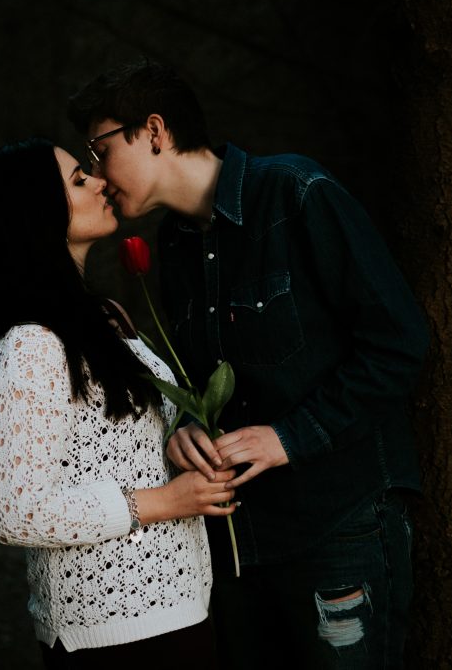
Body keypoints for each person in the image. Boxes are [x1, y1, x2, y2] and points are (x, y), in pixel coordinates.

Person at [67, 59, 429, 669]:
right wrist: (185, 429)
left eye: (99, 149)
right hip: (235, 550)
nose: (98, 175)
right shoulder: (175, 245)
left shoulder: (297, 194)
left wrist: (289, 438)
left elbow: (399, 343)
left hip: (337, 528)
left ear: (154, 131)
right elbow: (202, 381)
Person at [0, 139, 238, 669]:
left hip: (181, 607)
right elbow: (16, 512)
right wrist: (168, 502)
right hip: (108, 632)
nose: (101, 180)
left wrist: (182, 437)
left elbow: (130, 444)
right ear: (37, 214)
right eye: (79, 180)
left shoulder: (107, 317)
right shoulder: (29, 345)